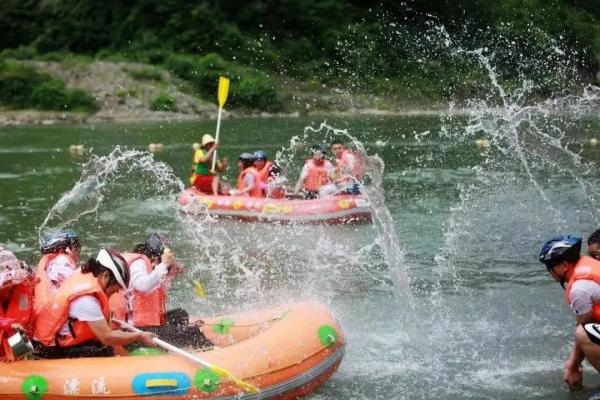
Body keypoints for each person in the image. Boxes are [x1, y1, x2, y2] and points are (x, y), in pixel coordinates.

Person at [33, 248, 155, 358]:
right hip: (49, 349)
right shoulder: (86, 299)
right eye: (117, 286)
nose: (118, 291)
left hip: (54, 340)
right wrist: (140, 336)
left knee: (104, 343)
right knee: (104, 350)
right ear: (106, 275)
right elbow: (107, 337)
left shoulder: (84, 274)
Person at [109, 233, 212, 349]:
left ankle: (178, 338)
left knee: (180, 314)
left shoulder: (148, 264)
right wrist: (164, 265)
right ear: (155, 257)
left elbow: (157, 292)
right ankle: (210, 350)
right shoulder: (138, 264)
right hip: (133, 331)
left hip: (144, 326)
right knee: (193, 332)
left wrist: (170, 274)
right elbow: (143, 286)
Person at [538, 235, 600, 391]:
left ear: (565, 265)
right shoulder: (589, 263)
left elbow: (585, 329)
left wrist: (572, 365)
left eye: (550, 266)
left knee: (583, 333)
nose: (548, 271)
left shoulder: (580, 288)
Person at [0, 246, 36, 361]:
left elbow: (23, 325)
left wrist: (24, 353)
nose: (8, 286)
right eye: (5, 283)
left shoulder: (23, 289)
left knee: (26, 355)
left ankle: (18, 355)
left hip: (12, 348)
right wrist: (9, 324)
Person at [34, 230, 81, 314]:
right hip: (57, 313)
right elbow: (78, 291)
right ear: (61, 251)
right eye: (75, 246)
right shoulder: (62, 261)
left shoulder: (50, 264)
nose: (77, 250)